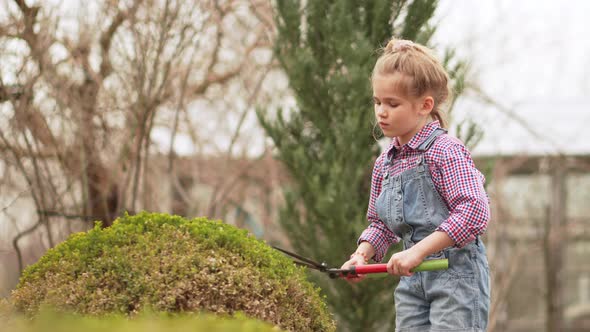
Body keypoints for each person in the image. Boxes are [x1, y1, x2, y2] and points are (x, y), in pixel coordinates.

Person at [340, 37, 491, 332]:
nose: (381, 112)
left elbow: (475, 211)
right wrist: (361, 256)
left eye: (392, 103)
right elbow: (381, 225)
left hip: (457, 279)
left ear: (425, 105)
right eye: (377, 102)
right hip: (412, 284)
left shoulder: (445, 150)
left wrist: (417, 251)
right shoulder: (385, 163)